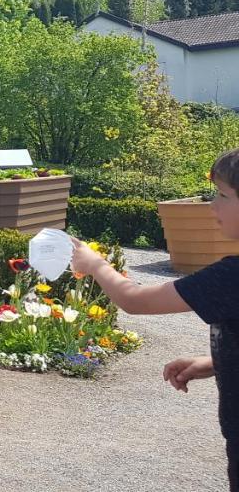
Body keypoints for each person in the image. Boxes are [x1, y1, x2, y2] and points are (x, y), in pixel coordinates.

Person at [71, 147, 239, 489]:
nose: (213, 205)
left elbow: (135, 300)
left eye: (222, 195)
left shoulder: (231, 277)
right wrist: (216, 361)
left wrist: (95, 264)